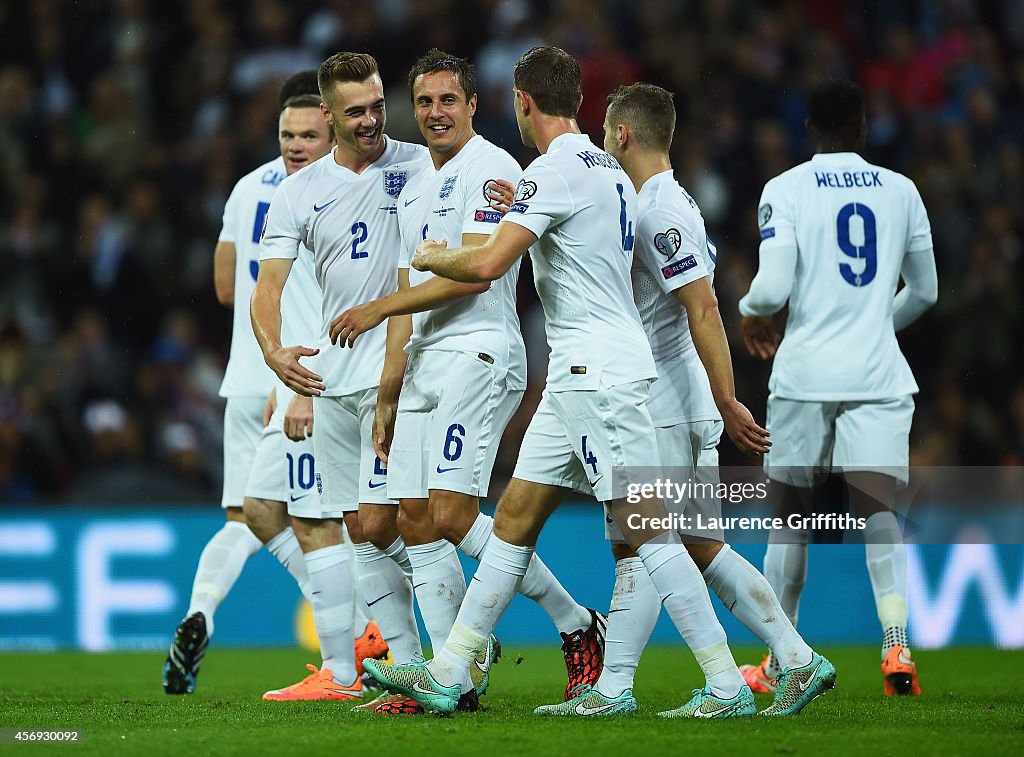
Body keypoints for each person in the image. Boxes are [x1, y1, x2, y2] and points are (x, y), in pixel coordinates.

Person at [364, 46, 778, 718]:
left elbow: (492, 262)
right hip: (576, 373)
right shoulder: (607, 169)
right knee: (514, 523)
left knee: (649, 531)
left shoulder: (552, 172)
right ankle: (449, 668)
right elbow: (563, 224)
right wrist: (521, 196)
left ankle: (726, 683)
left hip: (597, 374)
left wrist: (432, 252)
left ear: (522, 102)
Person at [533, 83, 835, 718]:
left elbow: (703, 307)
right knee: (694, 542)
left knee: (643, 542)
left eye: (606, 135)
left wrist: (728, 400)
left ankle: (617, 688)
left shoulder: (659, 211)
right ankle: (796, 658)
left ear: (621, 136)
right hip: (672, 393)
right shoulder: (651, 201)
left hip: (666, 397)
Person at [331, 49, 605, 714]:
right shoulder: (412, 182)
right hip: (425, 363)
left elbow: (475, 272)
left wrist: (377, 310)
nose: (435, 113)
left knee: (453, 514)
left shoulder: (493, 171)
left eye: (447, 100)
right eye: (424, 103)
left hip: (480, 353)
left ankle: (575, 619)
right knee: (414, 521)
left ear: (473, 104)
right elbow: (406, 280)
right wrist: (389, 388)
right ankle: (447, 679)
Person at [251, 51, 448, 703]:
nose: (371, 120)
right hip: (330, 381)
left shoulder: (418, 164)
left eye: (376, 105)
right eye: (355, 111)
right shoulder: (299, 193)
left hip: (403, 372)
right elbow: (267, 287)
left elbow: (420, 270)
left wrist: (396, 367)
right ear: (329, 116)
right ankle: (411, 669)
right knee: (359, 525)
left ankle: (455, 654)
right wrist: (274, 350)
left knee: (402, 519)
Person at [737, 79, 937, 697]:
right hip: (878, 374)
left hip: (803, 376)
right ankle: (896, 645)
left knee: (790, 519)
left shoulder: (786, 189)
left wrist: (748, 308)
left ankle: (781, 660)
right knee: (879, 508)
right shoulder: (902, 191)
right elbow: (925, 291)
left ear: (808, 130)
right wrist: (875, 324)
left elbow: (771, 292)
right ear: (863, 126)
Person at [163, 72, 333, 696]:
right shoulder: (334, 190)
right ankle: (356, 632)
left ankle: (200, 611)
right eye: (291, 133)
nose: (295, 142)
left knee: (246, 517)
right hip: (296, 375)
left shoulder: (244, 189)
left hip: (243, 373)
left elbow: (226, 288)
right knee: (325, 514)